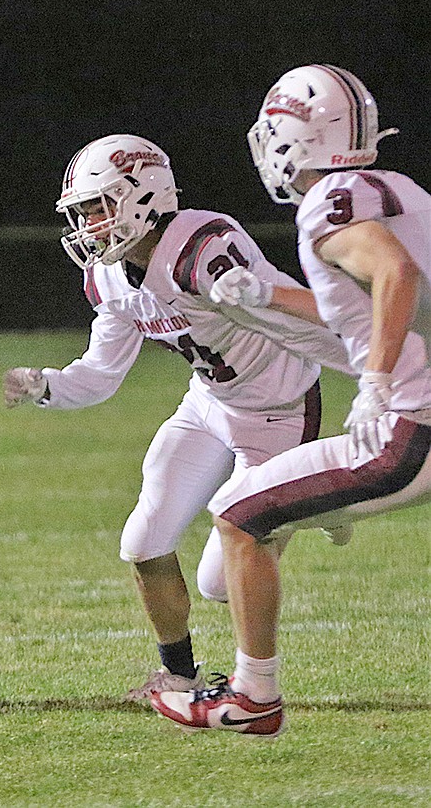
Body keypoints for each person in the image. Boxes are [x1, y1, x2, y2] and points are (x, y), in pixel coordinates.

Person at [3, 134, 353, 702]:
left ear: (143, 196)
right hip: (209, 404)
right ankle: (179, 675)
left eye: (99, 208)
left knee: (220, 582)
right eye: (83, 213)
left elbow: (297, 319)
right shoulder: (111, 278)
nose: (89, 226)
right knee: (143, 539)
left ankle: (323, 494)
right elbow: (101, 371)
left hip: (278, 411)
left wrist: (381, 368)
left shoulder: (203, 248)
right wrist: (48, 386)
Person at [151, 64, 431, 738]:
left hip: (413, 423)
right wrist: (267, 295)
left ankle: (252, 696)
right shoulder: (400, 190)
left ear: (292, 138)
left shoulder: (328, 202)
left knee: (240, 515)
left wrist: (379, 380)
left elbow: (396, 272)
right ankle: (322, 507)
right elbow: (369, 304)